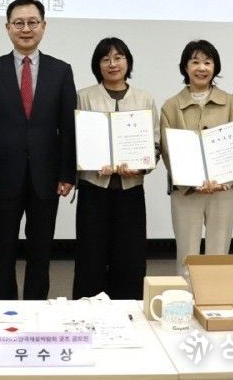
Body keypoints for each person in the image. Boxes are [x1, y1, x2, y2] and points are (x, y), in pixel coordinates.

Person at [0, 0, 76, 300]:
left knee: (41, 252)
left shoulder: (61, 71)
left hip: (47, 176)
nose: (26, 29)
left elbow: (68, 127)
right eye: (19, 23)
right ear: (7, 27)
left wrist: (67, 173)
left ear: (44, 26)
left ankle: (36, 310)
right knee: (2, 251)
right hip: (2, 177)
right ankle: (4, 310)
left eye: (32, 22)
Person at [72, 37, 159, 300]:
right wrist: (90, 161)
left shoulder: (144, 98)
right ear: (97, 65)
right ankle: (88, 309)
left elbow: (155, 143)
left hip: (130, 190)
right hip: (94, 188)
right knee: (91, 256)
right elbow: (75, 139)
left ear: (128, 62)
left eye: (118, 57)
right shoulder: (84, 96)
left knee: (129, 256)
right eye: (105, 59)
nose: (113, 64)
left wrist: (140, 167)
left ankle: (129, 309)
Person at [160, 40, 233, 277]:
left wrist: (224, 180)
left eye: (207, 62)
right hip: (186, 191)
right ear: (185, 67)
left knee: (218, 254)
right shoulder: (171, 106)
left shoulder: (231, 104)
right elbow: (168, 150)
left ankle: (214, 298)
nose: (201, 68)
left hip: (222, 189)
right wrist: (190, 181)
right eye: (195, 62)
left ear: (215, 67)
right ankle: (186, 298)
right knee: (186, 255)